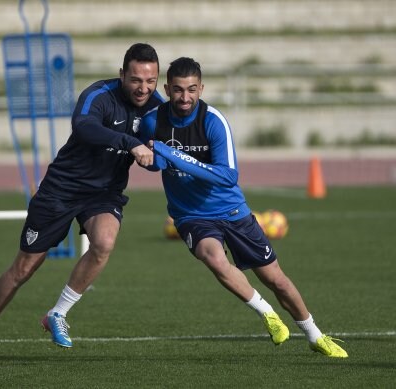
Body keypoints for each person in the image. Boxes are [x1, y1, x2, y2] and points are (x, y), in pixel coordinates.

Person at [0, 43, 165, 365]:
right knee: (23, 269)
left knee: (104, 242)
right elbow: (83, 127)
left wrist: (154, 157)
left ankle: (57, 313)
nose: (143, 88)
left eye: (151, 81)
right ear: (122, 75)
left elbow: (155, 161)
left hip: (104, 193)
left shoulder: (158, 109)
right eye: (136, 80)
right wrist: (131, 143)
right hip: (62, 189)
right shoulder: (99, 95)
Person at [139, 57, 348, 358]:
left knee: (276, 279)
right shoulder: (152, 121)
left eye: (192, 89)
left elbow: (228, 176)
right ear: (167, 88)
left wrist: (174, 154)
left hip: (231, 210)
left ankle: (315, 335)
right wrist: (151, 156)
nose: (185, 97)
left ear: (201, 88)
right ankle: (268, 314)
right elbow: (157, 162)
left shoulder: (213, 121)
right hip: (191, 215)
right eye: (178, 90)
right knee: (212, 256)